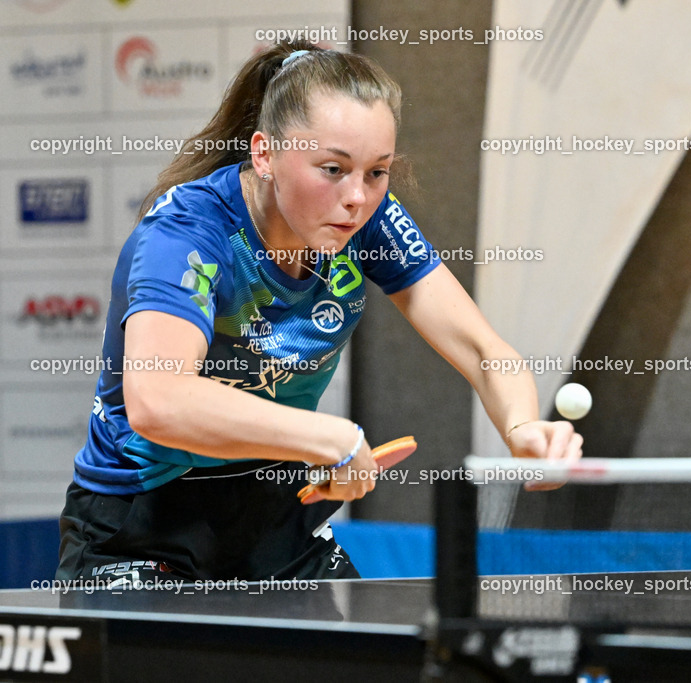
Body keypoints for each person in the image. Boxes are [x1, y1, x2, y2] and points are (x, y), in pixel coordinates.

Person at [56, 41, 583, 584]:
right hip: (141, 519)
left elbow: (481, 350)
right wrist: (329, 439)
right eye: (333, 168)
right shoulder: (190, 232)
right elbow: (158, 399)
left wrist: (521, 427)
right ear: (264, 154)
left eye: (377, 172)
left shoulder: (370, 222)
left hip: (274, 513)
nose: (358, 197)